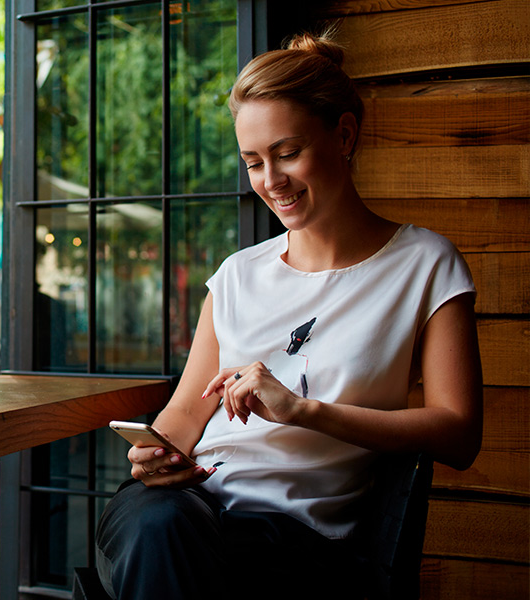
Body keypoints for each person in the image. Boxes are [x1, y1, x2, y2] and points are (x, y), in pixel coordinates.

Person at [95, 30, 482, 600]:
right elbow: (184, 411)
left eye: (287, 153)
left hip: (298, 536)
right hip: (184, 507)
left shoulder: (424, 264)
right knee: (159, 524)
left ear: (344, 134)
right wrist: (156, 456)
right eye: (253, 162)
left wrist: (303, 410)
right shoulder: (236, 275)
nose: (270, 181)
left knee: (174, 550)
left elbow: (459, 432)